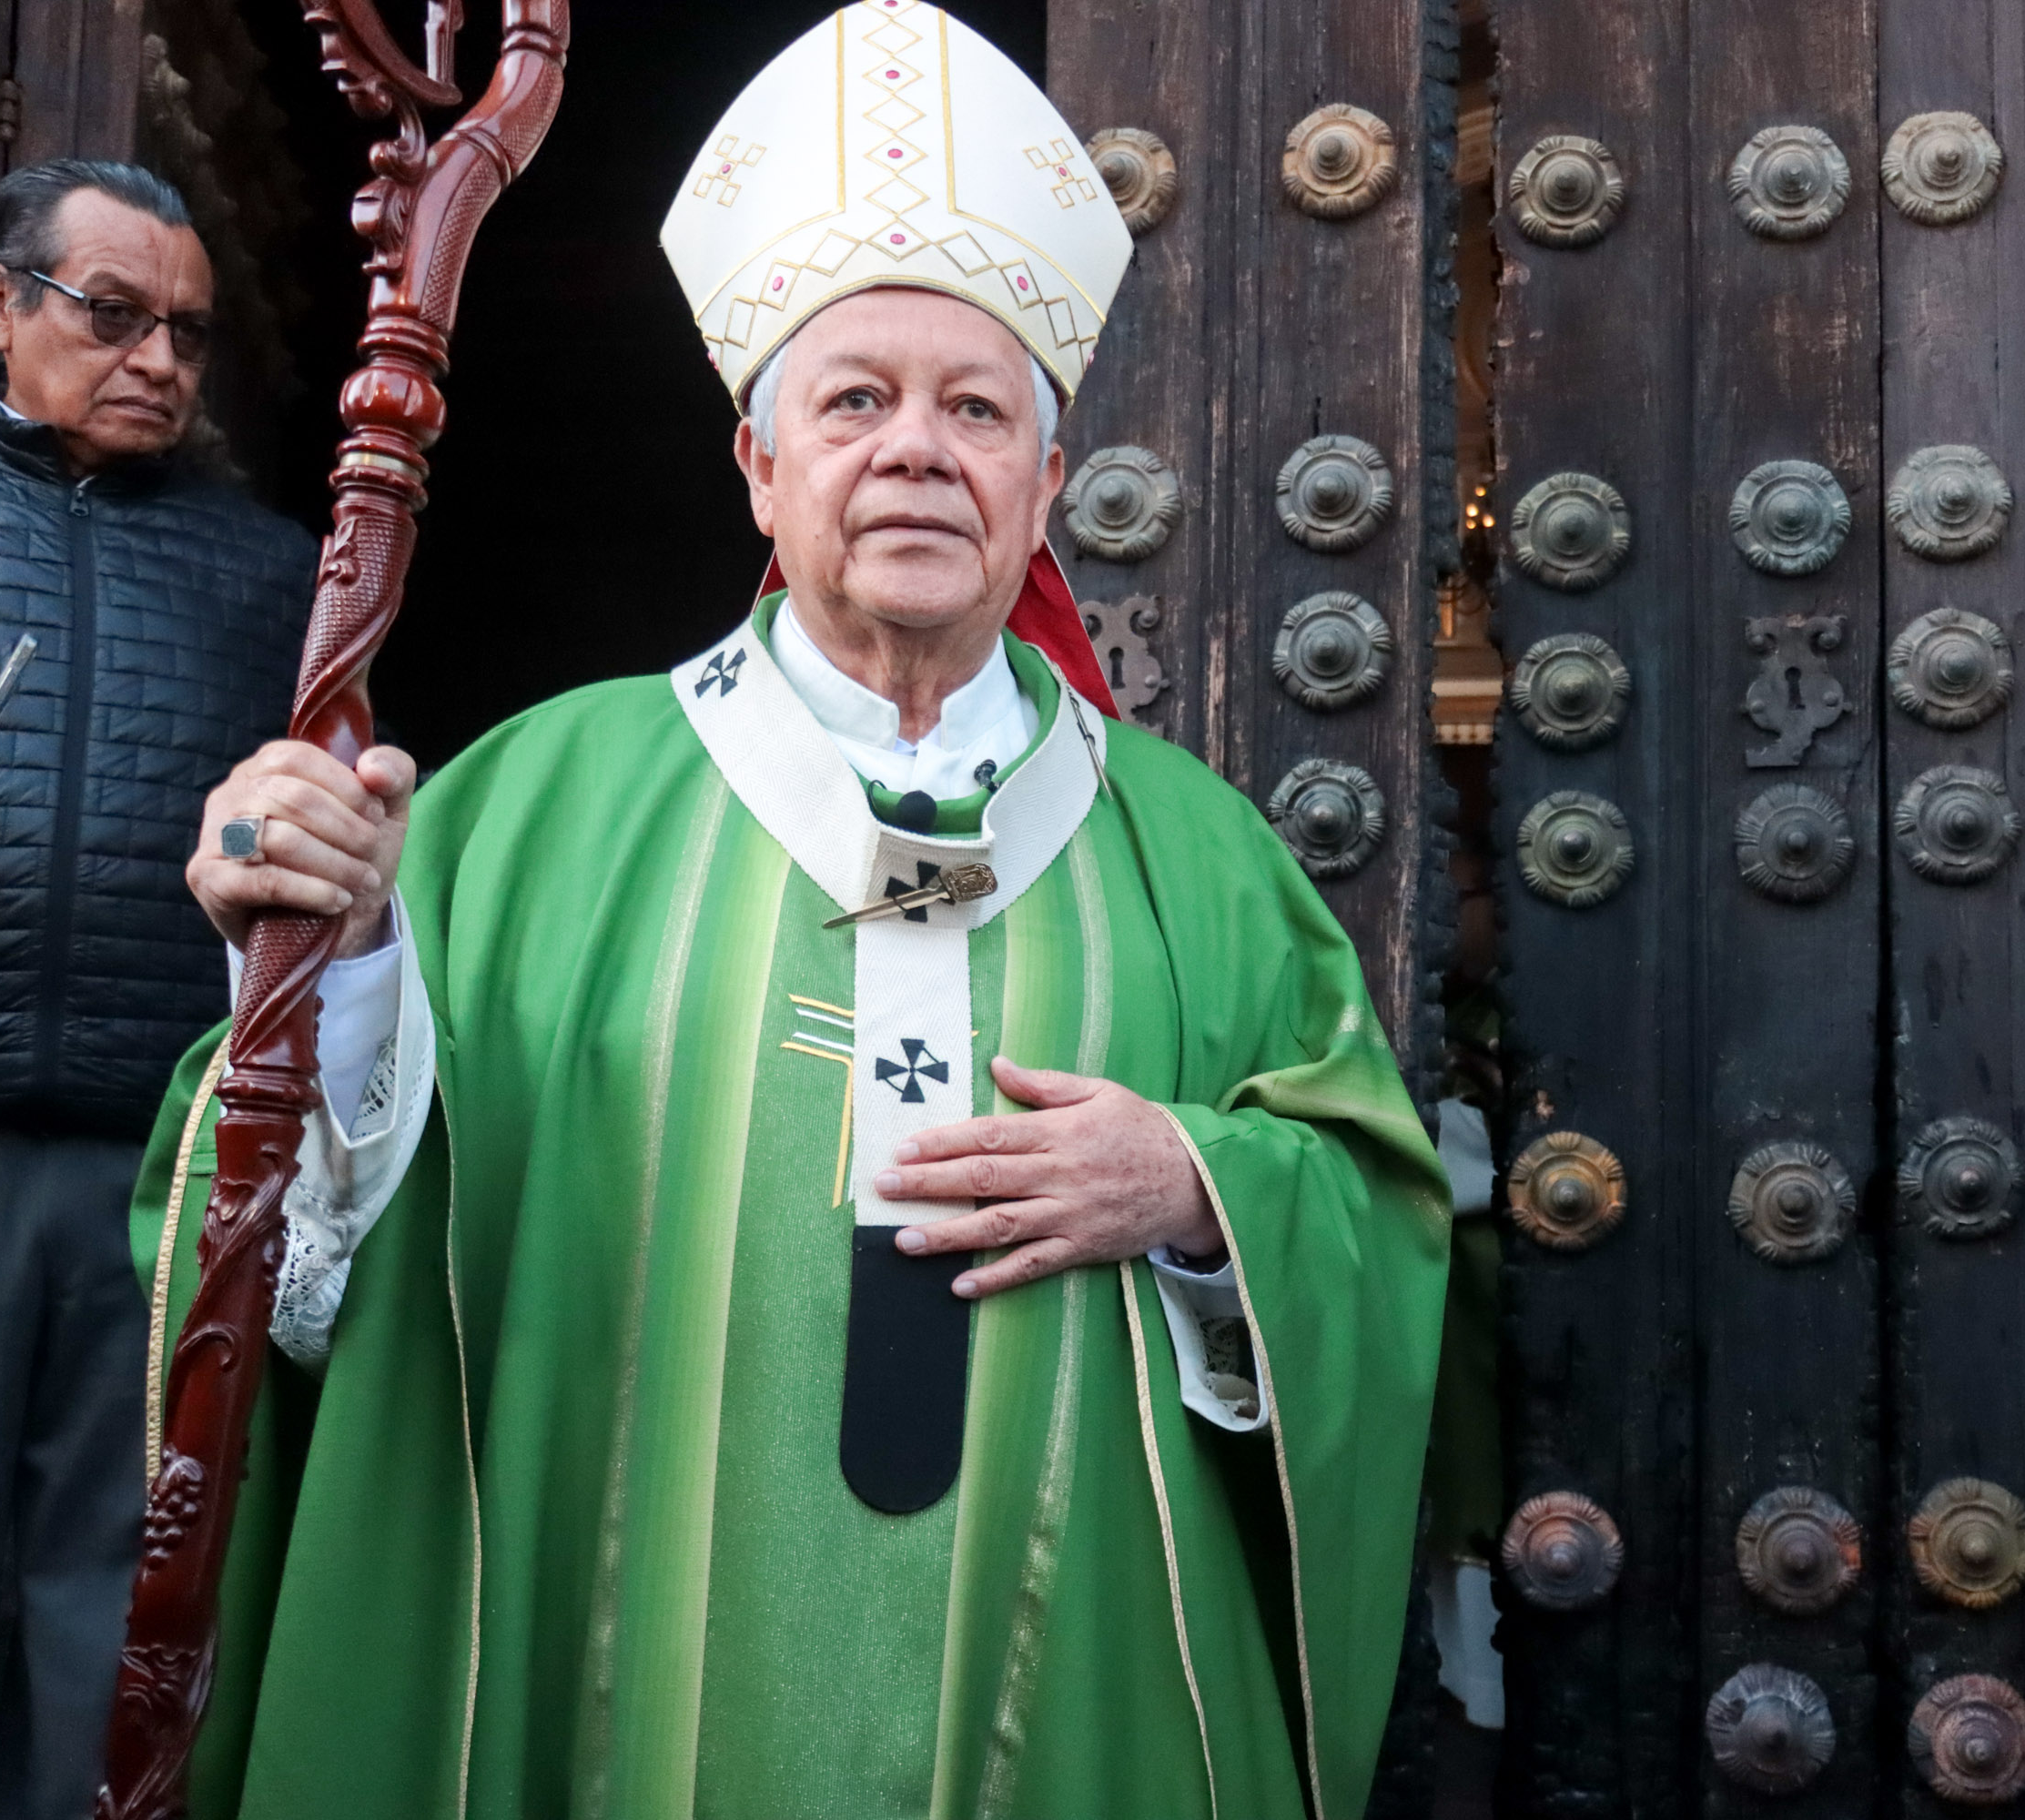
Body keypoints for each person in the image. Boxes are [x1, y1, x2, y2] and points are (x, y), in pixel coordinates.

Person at [128, 8, 1451, 1817]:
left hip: (1070, 1713)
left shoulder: (1203, 862)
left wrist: (1205, 1196)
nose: (918, 450)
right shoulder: (526, 809)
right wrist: (333, 960)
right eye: (854, 400)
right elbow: (308, 1262)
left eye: (978, 408)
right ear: (759, 470)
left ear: (1047, 487)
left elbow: (1374, 1227)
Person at [0, 161, 312, 1819]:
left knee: (114, 1605)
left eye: (190, 335)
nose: (159, 360)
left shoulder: (275, 574)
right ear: (0, 306)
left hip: (155, 1169)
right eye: (114, 314)